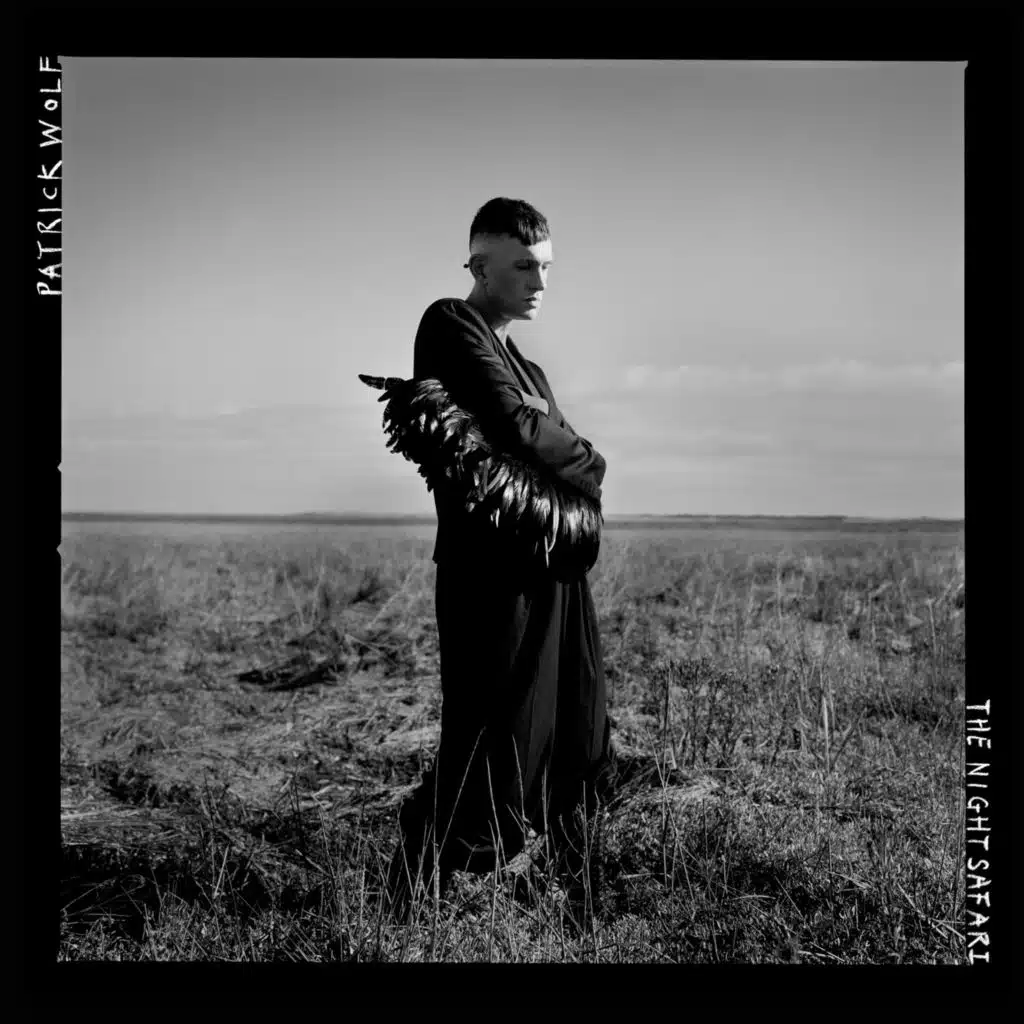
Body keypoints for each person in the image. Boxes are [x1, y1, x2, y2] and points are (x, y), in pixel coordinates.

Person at [385, 197, 615, 926]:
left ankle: (576, 903)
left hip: (551, 571)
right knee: (492, 733)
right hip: (487, 576)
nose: (540, 283)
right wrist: (586, 457)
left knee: (573, 727)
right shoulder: (451, 324)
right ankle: (407, 898)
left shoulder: (531, 367)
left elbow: (547, 438)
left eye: (545, 267)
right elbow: (520, 429)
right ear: (481, 267)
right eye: (523, 267)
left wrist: (565, 451)